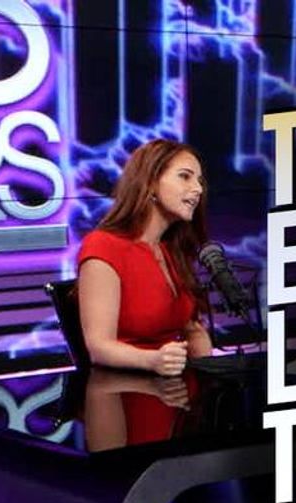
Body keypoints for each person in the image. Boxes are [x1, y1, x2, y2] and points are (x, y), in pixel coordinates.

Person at [77, 139, 213, 375]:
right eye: (185, 177)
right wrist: (153, 360)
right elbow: (99, 347)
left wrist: (210, 379)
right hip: (123, 385)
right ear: (150, 182)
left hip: (173, 387)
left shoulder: (171, 249)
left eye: (199, 181)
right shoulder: (103, 246)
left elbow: (193, 330)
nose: (198, 189)